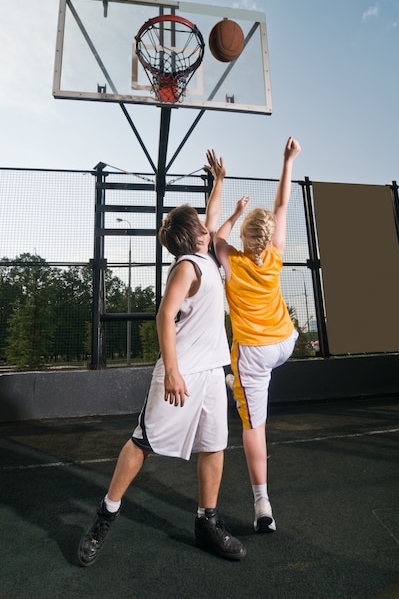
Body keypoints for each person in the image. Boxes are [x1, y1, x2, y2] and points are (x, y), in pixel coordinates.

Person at [78, 150, 246, 566]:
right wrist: (171, 371)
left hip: (210, 373)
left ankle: (207, 521)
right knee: (142, 442)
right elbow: (164, 316)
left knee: (214, 446)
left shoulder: (206, 258)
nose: (209, 227)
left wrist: (220, 182)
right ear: (195, 237)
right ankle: (104, 517)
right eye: (202, 227)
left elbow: (214, 216)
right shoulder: (188, 266)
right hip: (181, 373)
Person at [214, 136, 301, 533]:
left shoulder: (231, 261)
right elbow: (282, 205)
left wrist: (232, 211)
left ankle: (262, 504)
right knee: (249, 388)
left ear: (245, 240)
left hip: (255, 353)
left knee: (253, 426)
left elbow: (214, 234)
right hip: (287, 341)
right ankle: (240, 385)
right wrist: (288, 160)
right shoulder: (276, 253)